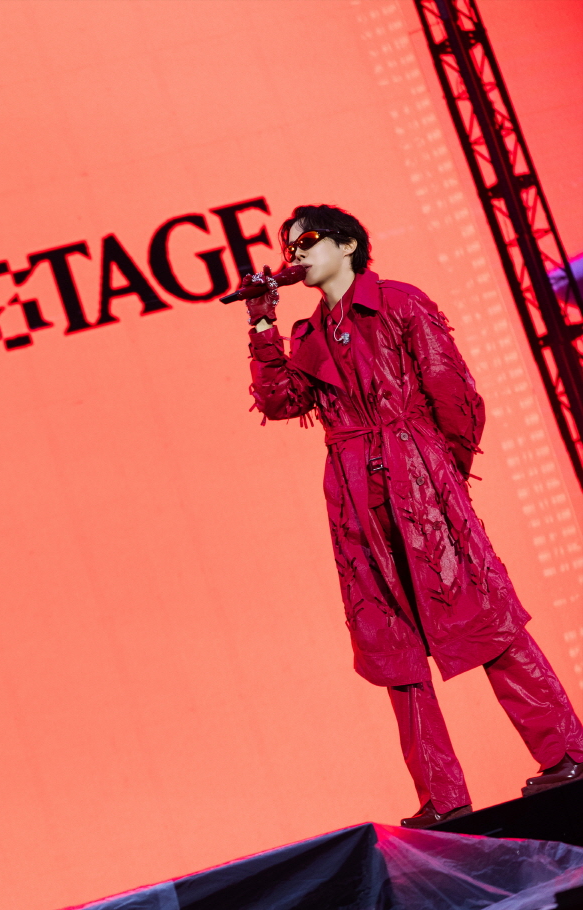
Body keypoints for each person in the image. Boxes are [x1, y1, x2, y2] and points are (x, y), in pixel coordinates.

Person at [244, 203, 583, 828]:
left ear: (348, 245)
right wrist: (263, 324)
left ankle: (567, 752)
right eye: (289, 247)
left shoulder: (399, 302)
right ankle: (442, 796)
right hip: (354, 496)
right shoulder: (307, 333)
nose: (296, 254)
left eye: (307, 240)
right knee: (389, 638)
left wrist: (442, 475)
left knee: (482, 613)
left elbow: (454, 393)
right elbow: (281, 400)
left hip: (419, 478)